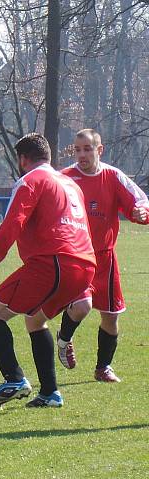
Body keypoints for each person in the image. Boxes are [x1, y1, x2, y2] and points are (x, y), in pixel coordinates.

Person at [0, 133, 96, 409]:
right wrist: (83, 285)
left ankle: (15, 379)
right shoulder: (71, 185)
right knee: (34, 320)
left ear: (22, 159)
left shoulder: (30, 180)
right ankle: (50, 393)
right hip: (83, 265)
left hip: (50, 263)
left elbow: (12, 224)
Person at [57, 129, 149, 382]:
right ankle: (64, 340)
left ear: (100, 150)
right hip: (75, 256)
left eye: (87, 149)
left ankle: (103, 368)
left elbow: (140, 201)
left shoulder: (112, 176)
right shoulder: (64, 178)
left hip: (105, 259)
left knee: (111, 315)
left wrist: (141, 213)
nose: (82, 154)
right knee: (82, 306)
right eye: (77, 150)